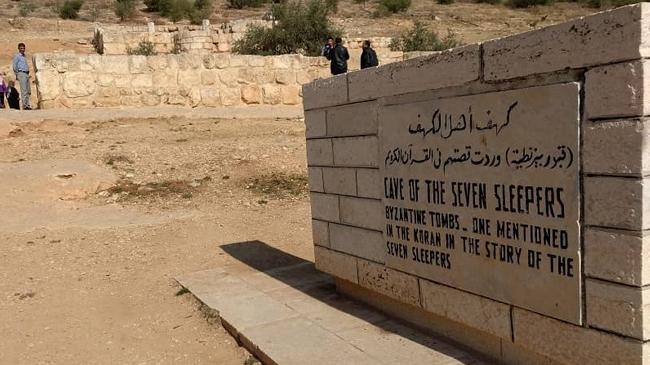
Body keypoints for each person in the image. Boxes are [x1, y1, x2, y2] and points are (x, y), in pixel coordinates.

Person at [12, 42, 32, 110]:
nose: (22, 49)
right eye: (21, 48)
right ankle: (25, 106)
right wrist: (17, 74)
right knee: (24, 90)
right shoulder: (17, 56)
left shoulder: (24, 56)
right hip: (21, 73)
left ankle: (27, 105)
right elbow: (14, 66)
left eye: (23, 48)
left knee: (28, 90)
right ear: (18, 49)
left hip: (26, 74)